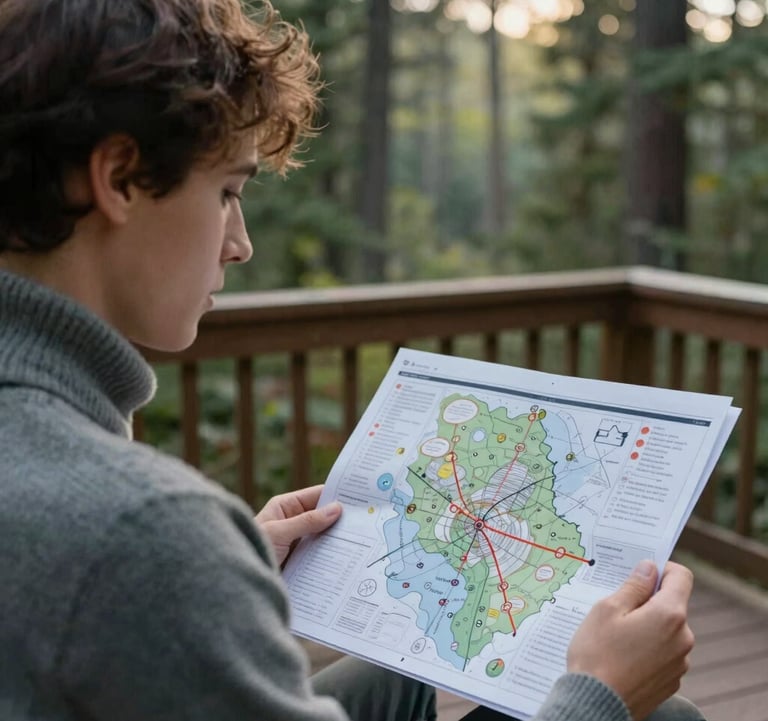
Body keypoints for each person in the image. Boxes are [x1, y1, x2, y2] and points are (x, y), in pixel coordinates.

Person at [0, 1, 702, 720]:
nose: (238, 243)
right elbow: (115, 550)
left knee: (387, 679)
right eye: (227, 192)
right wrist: (600, 698)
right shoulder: (141, 528)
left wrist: (231, 577)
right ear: (118, 177)